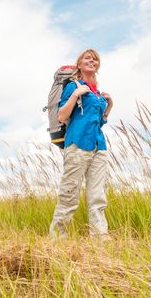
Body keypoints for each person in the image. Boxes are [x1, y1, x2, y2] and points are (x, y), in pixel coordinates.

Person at [49, 48, 113, 239]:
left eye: (95, 59)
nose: (92, 61)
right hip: (77, 145)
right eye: (87, 58)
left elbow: (100, 121)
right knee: (69, 195)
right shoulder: (73, 85)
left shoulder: (98, 93)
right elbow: (62, 115)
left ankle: (100, 238)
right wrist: (76, 94)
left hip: (98, 147)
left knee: (98, 196)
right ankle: (56, 239)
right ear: (79, 64)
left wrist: (109, 105)